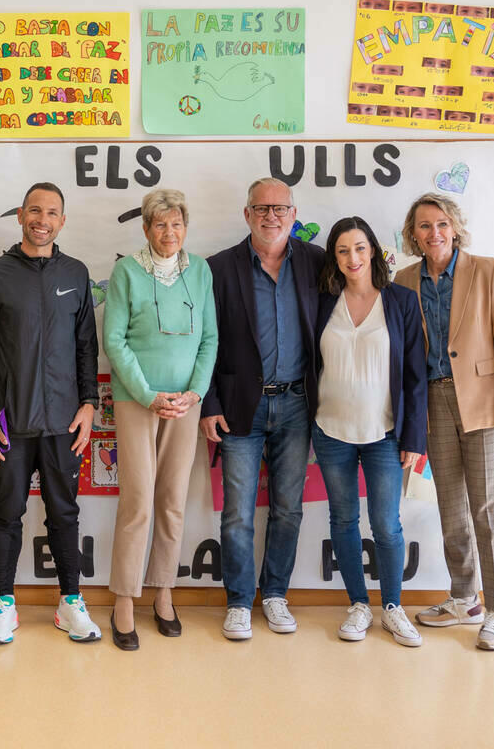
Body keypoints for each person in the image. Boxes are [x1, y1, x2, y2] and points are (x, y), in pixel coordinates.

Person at [0, 182, 102, 645]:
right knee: (7, 512)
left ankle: (70, 602)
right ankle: (4, 603)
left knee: (65, 511)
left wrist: (89, 404)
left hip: (65, 423)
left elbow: (87, 348)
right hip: (8, 422)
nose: (43, 219)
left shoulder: (78, 273)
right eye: (35, 210)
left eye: (52, 212)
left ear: (63, 221)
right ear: (20, 215)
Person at [394, 192, 494, 651]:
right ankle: (464, 599)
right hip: (432, 403)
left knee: (489, 510)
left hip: (485, 404)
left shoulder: (489, 270)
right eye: (424, 226)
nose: (434, 233)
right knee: (451, 507)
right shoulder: (404, 279)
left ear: (455, 228)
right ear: (413, 234)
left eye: (441, 224)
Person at [201, 177, 324, 641]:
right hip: (239, 409)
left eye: (280, 208)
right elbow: (205, 344)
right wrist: (209, 403)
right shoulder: (219, 269)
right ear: (247, 214)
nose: (271, 216)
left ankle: (274, 595)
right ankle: (237, 601)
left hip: (297, 405)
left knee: (289, 509)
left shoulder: (317, 263)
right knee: (236, 513)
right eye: (261, 208)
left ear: (294, 214)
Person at [102, 189, 217, 650]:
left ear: (185, 228)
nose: (169, 233)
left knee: (172, 500)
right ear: (146, 229)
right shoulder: (126, 271)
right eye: (159, 225)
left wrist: (195, 393)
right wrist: (149, 396)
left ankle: (164, 591)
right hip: (138, 402)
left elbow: (209, 338)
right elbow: (114, 341)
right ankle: (124, 599)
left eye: (177, 224)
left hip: (185, 405)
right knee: (138, 503)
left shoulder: (201, 271)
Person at [312, 217, 427, 647]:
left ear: (374, 251)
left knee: (386, 524)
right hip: (331, 430)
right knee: (343, 519)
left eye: (360, 248)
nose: (352, 258)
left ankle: (392, 607)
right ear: (334, 258)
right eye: (343, 251)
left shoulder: (400, 301)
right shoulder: (323, 301)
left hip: (385, 434)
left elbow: (416, 377)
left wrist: (415, 438)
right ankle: (359, 605)